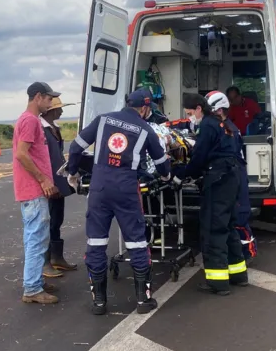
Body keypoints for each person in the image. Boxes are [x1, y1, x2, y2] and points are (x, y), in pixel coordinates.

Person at [66, 89, 172, 316]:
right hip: (126, 190)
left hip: (99, 189)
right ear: (144, 108)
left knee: (96, 243)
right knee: (136, 242)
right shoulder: (146, 129)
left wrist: (72, 173)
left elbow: (75, 147)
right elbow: (162, 162)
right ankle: (143, 300)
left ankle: (99, 303)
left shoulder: (103, 120)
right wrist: (166, 177)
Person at [172, 92, 249, 295]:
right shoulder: (225, 124)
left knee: (214, 229)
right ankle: (238, 274)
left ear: (199, 108)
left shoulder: (207, 124)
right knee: (229, 227)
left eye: (190, 112)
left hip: (219, 181)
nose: (190, 117)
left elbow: (199, 156)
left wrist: (182, 175)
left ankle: (218, 282)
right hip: (232, 179)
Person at [12, 82, 62, 305]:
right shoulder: (30, 120)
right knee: (37, 239)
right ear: (38, 97)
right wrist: (42, 179)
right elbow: (22, 154)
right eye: (49, 99)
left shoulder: (29, 120)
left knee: (35, 238)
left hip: (32, 189)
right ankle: (32, 289)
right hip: (33, 189)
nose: (51, 103)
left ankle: (34, 281)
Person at [205, 90, 258, 265]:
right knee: (234, 216)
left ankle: (249, 253)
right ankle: (239, 256)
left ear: (219, 111)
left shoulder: (229, 130)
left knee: (240, 217)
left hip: (236, 175)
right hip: (235, 174)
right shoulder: (227, 127)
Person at [40, 98, 79, 274]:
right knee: (48, 222)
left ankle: (57, 257)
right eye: (59, 109)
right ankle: (45, 262)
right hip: (50, 182)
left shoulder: (52, 128)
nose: (61, 112)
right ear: (50, 111)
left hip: (58, 179)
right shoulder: (41, 129)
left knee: (57, 219)